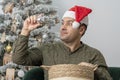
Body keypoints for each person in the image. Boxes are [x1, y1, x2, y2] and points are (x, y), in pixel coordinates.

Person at [12, 5, 112, 80]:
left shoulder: (93, 54)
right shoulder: (46, 50)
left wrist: (93, 70)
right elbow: (18, 59)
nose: (63, 27)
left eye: (70, 24)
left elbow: (107, 79)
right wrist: (25, 30)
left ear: (81, 30)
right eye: (62, 23)